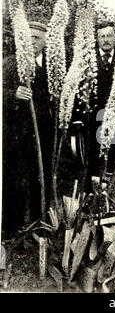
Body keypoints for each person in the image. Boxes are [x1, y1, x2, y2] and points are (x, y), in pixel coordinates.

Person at [2, 21, 53, 236]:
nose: (31, 42)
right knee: (13, 177)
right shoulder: (9, 64)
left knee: (41, 175)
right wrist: (13, 94)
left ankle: (39, 222)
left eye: (37, 38)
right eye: (28, 37)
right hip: (15, 132)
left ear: (45, 41)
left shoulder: (52, 65)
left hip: (43, 132)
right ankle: (10, 227)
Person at [71, 21, 115, 191]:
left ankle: (110, 198)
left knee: (114, 160)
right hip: (92, 120)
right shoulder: (87, 60)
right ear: (97, 39)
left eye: (109, 35)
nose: (106, 39)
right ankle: (90, 199)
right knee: (91, 160)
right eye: (102, 36)